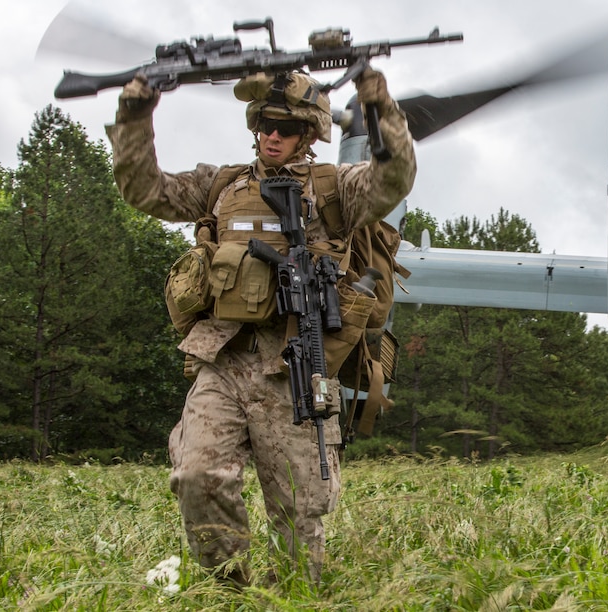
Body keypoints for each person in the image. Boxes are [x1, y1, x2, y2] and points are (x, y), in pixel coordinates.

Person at [105, 68, 416, 585]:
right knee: (196, 475)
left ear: (310, 134)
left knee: (300, 508)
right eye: (266, 124)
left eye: (287, 128)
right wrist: (135, 112)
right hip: (223, 358)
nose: (274, 135)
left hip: (294, 364)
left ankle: (294, 597)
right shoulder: (222, 187)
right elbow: (143, 189)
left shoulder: (337, 189)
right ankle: (230, 592)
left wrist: (378, 102)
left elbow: (394, 178)